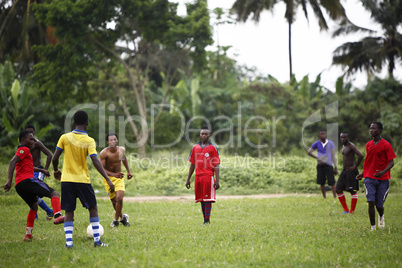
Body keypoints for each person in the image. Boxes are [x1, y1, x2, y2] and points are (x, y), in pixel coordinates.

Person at [52, 110, 115, 248]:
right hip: (82, 180)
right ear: (87, 123)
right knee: (92, 207)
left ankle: (69, 243)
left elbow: (54, 158)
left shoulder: (64, 137)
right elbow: (96, 161)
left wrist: (56, 170)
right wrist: (108, 179)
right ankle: (97, 241)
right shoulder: (89, 141)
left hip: (67, 180)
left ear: (74, 122)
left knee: (69, 210)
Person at [3, 130, 65, 241]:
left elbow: (28, 167)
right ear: (23, 139)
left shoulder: (22, 151)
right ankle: (57, 216)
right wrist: (8, 180)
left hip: (19, 186)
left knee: (34, 206)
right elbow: (12, 162)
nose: (33, 141)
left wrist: (42, 170)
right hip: (28, 181)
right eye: (30, 139)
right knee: (54, 193)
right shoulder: (24, 149)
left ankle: (28, 235)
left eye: (33, 138)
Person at [356, 122, 396, 231]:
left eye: (373, 129)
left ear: (380, 131)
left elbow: (391, 163)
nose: (371, 131)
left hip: (383, 179)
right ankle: (373, 227)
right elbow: (368, 162)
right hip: (369, 177)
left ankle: (381, 216)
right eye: (370, 128)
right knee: (371, 201)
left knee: (379, 205)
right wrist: (363, 174)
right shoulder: (368, 144)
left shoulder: (386, 145)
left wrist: (382, 172)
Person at [186, 126, 220, 225]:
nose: (204, 135)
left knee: (208, 199)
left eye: (206, 134)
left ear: (209, 135)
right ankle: (205, 220)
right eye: (202, 134)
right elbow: (192, 164)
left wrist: (217, 180)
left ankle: (207, 220)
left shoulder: (213, 148)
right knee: (201, 199)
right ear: (200, 135)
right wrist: (188, 179)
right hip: (198, 177)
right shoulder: (195, 148)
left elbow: (216, 164)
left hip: (208, 176)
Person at [100, 133, 133, 228]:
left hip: (119, 178)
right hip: (108, 178)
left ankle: (115, 221)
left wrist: (128, 171)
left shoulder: (121, 150)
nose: (113, 141)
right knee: (114, 201)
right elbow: (102, 170)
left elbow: (124, 159)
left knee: (120, 198)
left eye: (115, 139)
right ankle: (123, 217)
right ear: (107, 142)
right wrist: (113, 175)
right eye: (111, 140)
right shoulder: (104, 153)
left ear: (117, 141)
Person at [25, 124, 54, 220]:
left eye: (31, 132)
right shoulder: (24, 145)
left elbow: (49, 154)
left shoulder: (37, 143)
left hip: (39, 170)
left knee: (34, 193)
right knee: (30, 193)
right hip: (28, 172)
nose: (30, 134)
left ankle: (47, 212)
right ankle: (42, 213)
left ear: (34, 132)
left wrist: (45, 169)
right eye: (28, 132)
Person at [336, 132, 364, 214]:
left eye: (344, 137)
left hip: (351, 171)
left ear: (348, 137)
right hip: (345, 171)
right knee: (338, 189)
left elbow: (360, 155)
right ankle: (345, 210)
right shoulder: (344, 146)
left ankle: (352, 211)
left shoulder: (351, 146)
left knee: (352, 191)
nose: (342, 139)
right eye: (341, 137)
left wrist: (354, 167)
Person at [308, 130, 338, 198]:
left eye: (324, 134)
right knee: (322, 182)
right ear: (319, 136)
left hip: (329, 165)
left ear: (325, 135)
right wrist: (317, 157)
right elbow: (309, 152)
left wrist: (335, 166)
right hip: (320, 165)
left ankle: (335, 197)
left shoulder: (330, 143)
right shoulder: (316, 143)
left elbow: (333, 155)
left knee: (332, 182)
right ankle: (324, 197)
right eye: (321, 134)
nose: (323, 135)